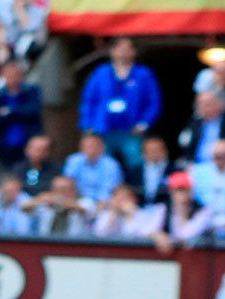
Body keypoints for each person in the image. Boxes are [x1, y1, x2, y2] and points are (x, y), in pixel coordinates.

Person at [77, 36, 161, 171]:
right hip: (103, 129)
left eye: (128, 49)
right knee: (102, 162)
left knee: (135, 161)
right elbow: (89, 100)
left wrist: (144, 123)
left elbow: (153, 102)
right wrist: (87, 124)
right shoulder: (101, 73)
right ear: (112, 51)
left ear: (134, 52)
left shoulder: (143, 74)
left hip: (131, 130)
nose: (124, 52)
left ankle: (133, 189)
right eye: (120, 48)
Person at [0, 60, 40, 167]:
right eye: (9, 75)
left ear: (21, 75)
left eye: (15, 75)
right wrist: (18, 112)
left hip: (28, 138)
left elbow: (33, 111)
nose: (12, 78)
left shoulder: (31, 90)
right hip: (6, 142)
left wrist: (9, 112)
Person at [179, 90, 225, 167]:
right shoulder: (194, 122)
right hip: (197, 165)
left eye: (209, 103)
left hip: (224, 165)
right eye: (201, 104)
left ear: (220, 104)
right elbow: (186, 144)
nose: (205, 107)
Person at [151, 172, 212, 253]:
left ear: (190, 191)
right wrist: (159, 235)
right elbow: (145, 230)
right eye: (175, 190)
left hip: (198, 257)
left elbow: (185, 235)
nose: (179, 194)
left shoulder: (203, 211)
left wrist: (182, 214)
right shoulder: (164, 208)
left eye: (182, 190)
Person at [22, 175, 93, 236]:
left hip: (75, 247)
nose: (59, 193)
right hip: (46, 245)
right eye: (56, 190)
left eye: (63, 190)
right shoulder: (45, 203)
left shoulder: (84, 202)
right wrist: (39, 199)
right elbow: (24, 207)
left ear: (73, 190)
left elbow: (85, 210)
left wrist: (60, 202)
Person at [62, 133, 123, 203]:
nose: (91, 150)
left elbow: (111, 188)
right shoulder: (74, 160)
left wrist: (100, 202)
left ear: (102, 148)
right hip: (77, 199)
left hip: (104, 202)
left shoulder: (111, 164)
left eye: (95, 146)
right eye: (88, 146)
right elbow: (68, 182)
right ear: (81, 148)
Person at [91, 184, 165, 239]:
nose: (119, 202)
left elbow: (139, 236)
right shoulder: (106, 215)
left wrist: (130, 216)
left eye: (123, 198)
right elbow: (98, 236)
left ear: (133, 200)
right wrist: (112, 217)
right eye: (116, 198)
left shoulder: (142, 214)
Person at [130, 135, 171, 206]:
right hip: (139, 211)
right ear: (143, 153)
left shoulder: (175, 171)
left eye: (157, 149)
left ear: (165, 151)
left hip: (167, 210)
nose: (154, 153)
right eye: (150, 150)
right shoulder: (133, 172)